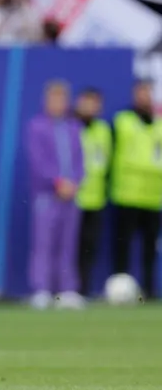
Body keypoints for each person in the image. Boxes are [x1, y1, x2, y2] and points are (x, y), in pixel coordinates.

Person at [26, 81, 85, 310]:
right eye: (54, 99)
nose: (58, 104)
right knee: (44, 243)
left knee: (68, 243)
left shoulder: (73, 127)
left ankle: (67, 290)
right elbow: (38, 161)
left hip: (71, 196)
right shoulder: (37, 126)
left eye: (62, 99)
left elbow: (80, 160)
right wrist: (57, 182)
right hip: (46, 196)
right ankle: (42, 290)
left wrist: (75, 182)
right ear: (46, 101)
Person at [110, 79, 162, 299]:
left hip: (152, 196)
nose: (144, 97)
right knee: (123, 245)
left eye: (147, 92)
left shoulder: (159, 123)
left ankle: (149, 290)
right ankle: (119, 289)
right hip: (127, 194)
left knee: (150, 248)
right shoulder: (122, 121)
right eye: (141, 92)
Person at [75, 88, 111, 297]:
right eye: (87, 102)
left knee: (89, 247)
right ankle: (69, 289)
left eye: (95, 103)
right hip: (73, 198)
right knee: (72, 248)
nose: (91, 107)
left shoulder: (104, 130)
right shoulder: (71, 127)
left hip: (95, 198)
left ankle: (84, 290)